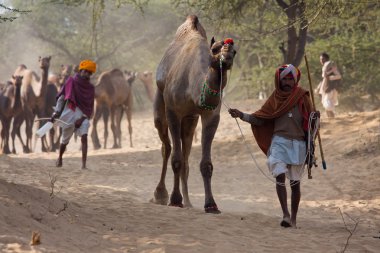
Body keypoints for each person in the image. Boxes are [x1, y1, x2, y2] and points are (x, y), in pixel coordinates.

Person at [229, 64, 319, 228]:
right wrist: (241, 115)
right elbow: (260, 118)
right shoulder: (275, 98)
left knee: (295, 184)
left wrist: (315, 117)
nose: (287, 82)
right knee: (279, 175)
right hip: (279, 142)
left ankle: (294, 219)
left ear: (295, 80)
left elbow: (312, 123)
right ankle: (285, 215)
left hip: (298, 143)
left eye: (290, 79)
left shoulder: (303, 96)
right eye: (284, 78)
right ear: (279, 80)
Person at [50, 59, 96, 169]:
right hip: (69, 111)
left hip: (82, 115)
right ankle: (60, 157)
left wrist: (82, 118)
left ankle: (84, 165)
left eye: (89, 72)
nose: (87, 74)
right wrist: (56, 112)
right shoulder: (71, 81)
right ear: (81, 71)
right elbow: (62, 97)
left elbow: (90, 106)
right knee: (64, 141)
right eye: (85, 71)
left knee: (84, 137)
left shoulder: (90, 88)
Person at [315, 52, 341, 118]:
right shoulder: (326, 66)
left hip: (330, 87)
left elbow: (338, 76)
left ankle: (332, 119)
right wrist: (319, 87)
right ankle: (331, 119)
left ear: (326, 59)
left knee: (327, 103)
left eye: (323, 59)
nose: (321, 61)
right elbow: (324, 78)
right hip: (327, 86)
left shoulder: (330, 65)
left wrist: (329, 78)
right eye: (320, 59)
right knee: (325, 102)